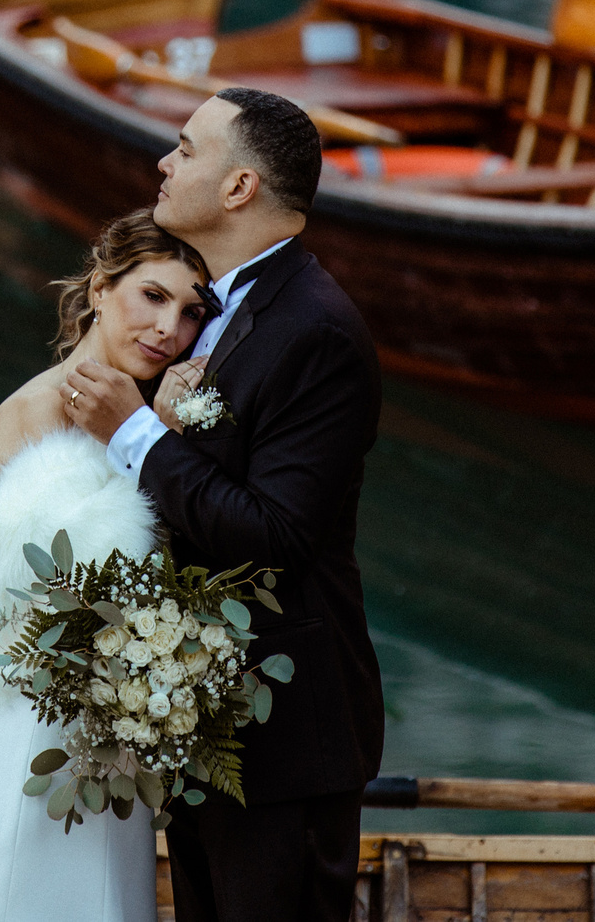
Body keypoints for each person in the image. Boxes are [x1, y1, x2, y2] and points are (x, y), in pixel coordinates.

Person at [58, 88, 384, 922]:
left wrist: (134, 432)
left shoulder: (318, 331)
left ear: (239, 187)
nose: (164, 164)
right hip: (194, 712)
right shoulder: (206, 304)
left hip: (284, 731)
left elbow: (274, 534)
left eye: (185, 148)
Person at [0, 211, 212, 922]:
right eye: (152, 296)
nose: (168, 329)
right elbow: (41, 599)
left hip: (109, 747)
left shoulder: (157, 422)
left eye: (190, 312)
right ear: (99, 288)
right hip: (35, 736)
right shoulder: (29, 411)